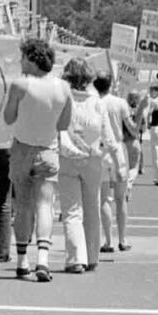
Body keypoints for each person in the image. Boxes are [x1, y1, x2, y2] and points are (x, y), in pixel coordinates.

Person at [3, 38, 72, 282]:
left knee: (22, 205)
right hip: (48, 148)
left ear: (32, 59)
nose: (20, 62)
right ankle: (43, 258)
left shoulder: (21, 85)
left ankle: (22, 260)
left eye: (23, 58)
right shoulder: (63, 88)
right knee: (45, 205)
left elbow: (8, 118)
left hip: (22, 148)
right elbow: (64, 124)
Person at [58, 58, 124, 274]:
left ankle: (76, 257)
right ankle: (92, 255)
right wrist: (119, 164)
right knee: (92, 207)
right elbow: (110, 138)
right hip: (94, 158)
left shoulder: (63, 98)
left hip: (68, 157)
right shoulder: (97, 102)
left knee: (71, 210)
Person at [94, 73, 133, 253]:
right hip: (117, 149)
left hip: (101, 152)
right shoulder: (120, 103)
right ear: (110, 85)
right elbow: (131, 127)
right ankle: (122, 239)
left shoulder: (93, 102)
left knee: (104, 199)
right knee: (120, 198)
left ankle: (108, 240)